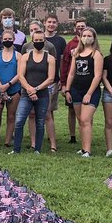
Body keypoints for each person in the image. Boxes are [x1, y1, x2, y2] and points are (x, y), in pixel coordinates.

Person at [12, 27, 55, 154]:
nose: (38, 42)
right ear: (32, 41)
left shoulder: (50, 58)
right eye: (36, 40)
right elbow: (20, 75)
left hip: (42, 95)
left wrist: (36, 89)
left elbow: (51, 78)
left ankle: (37, 149)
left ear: (45, 41)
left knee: (40, 122)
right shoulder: (25, 57)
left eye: (41, 40)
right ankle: (16, 149)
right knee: (19, 121)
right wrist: (30, 89)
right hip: (26, 94)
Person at [63, 25, 103, 158]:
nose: (86, 38)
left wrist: (89, 93)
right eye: (84, 36)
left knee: (86, 120)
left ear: (94, 38)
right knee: (81, 120)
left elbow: (98, 76)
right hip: (76, 90)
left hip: (91, 91)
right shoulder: (76, 53)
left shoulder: (96, 54)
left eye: (89, 36)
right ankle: (83, 147)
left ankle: (88, 150)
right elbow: (71, 74)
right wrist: (68, 90)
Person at [0, 25, 21, 148]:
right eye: (5, 39)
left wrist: (9, 84)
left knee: (11, 117)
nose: (7, 41)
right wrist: (0, 86)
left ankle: (7, 141)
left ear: (13, 39)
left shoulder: (18, 56)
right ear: (1, 40)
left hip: (13, 89)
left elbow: (19, 74)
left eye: (9, 39)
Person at [59, 19, 87, 145]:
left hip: (86, 81)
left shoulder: (90, 43)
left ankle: (85, 135)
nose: (80, 28)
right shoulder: (70, 44)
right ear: (75, 28)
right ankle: (73, 136)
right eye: (78, 27)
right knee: (71, 110)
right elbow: (65, 64)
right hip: (72, 82)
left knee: (86, 111)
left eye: (83, 26)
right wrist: (64, 84)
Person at [43, 14, 67, 151]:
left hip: (53, 80)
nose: (51, 24)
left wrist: (61, 80)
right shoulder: (40, 38)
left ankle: (50, 135)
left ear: (57, 24)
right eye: (49, 22)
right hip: (39, 79)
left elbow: (63, 61)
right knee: (43, 110)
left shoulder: (60, 41)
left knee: (50, 109)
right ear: (44, 23)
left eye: (54, 22)